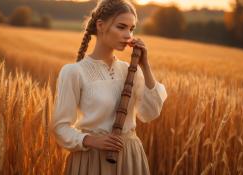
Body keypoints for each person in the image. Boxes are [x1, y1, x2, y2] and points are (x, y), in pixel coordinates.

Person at [50, 0, 168, 174]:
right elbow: (60, 128)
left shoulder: (131, 70)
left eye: (132, 29)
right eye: (121, 27)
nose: (128, 35)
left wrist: (145, 66)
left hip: (130, 157)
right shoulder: (74, 72)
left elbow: (150, 113)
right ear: (101, 25)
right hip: (90, 158)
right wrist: (90, 140)